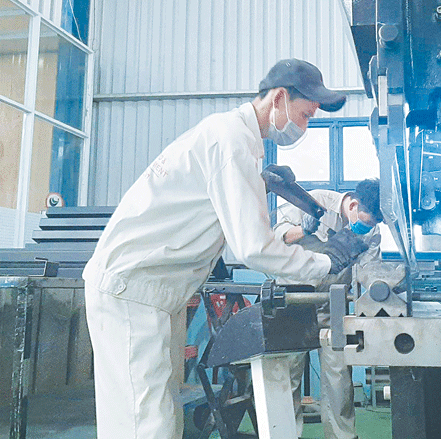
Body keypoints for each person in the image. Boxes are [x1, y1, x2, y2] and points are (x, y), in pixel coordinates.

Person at [82, 58, 369, 439]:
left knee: (161, 418)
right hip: (133, 289)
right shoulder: (230, 141)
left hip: (153, 292)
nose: (306, 125)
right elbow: (253, 247)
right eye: (304, 114)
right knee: (144, 425)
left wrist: (264, 187)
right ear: (279, 98)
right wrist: (325, 262)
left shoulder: (239, 141)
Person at [273, 179, 383, 439]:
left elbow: (369, 270)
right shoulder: (314, 200)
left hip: (333, 301)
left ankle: (342, 436)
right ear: (353, 205)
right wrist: (302, 229)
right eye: (364, 222)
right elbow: (275, 234)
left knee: (339, 378)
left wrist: (382, 287)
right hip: (294, 296)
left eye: (370, 226)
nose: (365, 228)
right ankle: (287, 434)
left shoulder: (371, 231)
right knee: (288, 374)